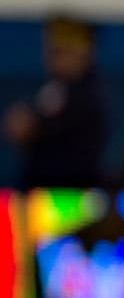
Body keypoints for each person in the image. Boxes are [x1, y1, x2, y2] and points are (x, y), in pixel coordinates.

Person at [3, 17, 108, 190]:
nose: (52, 58)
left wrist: (31, 125)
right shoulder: (55, 88)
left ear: (85, 53)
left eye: (62, 51)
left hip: (70, 196)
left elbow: (29, 126)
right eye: (51, 50)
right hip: (43, 195)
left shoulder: (88, 95)